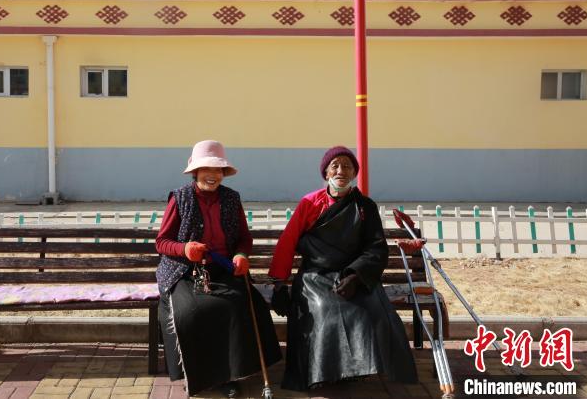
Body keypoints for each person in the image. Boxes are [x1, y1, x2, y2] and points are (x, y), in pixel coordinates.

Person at [268, 146, 419, 391]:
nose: (341, 171)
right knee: (324, 308)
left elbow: (376, 247)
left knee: (371, 311)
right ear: (326, 172)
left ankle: (355, 370)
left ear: (354, 173)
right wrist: (278, 284)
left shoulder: (365, 206)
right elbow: (288, 241)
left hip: (353, 275)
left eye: (347, 166)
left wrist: (356, 276)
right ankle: (325, 372)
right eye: (335, 166)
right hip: (315, 276)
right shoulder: (310, 203)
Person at [156, 140, 282, 398]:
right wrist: (184, 248)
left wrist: (241, 254)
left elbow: (244, 238)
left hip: (224, 269)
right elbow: (162, 242)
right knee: (192, 312)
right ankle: (201, 375)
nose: (212, 175)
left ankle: (233, 374)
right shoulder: (180, 198)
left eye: (217, 169)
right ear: (195, 171)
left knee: (245, 305)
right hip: (185, 271)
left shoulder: (231, 199)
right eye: (206, 169)